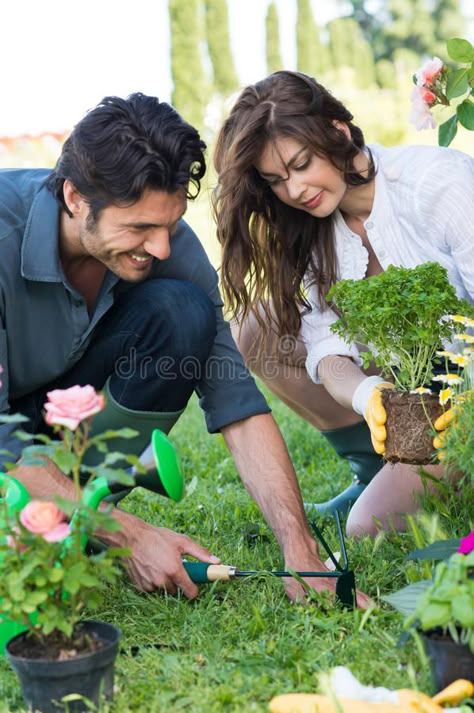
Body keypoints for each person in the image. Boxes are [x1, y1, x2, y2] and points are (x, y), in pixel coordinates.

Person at [0, 92, 370, 606]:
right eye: (140, 228)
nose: (161, 248)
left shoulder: (167, 250)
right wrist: (129, 534)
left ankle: (72, 518)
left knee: (184, 309)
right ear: (75, 198)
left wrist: (299, 547)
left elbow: (238, 406)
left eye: (168, 224)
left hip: (47, 422)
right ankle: (70, 523)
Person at [213, 70, 474, 537]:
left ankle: (437, 468)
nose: (294, 190)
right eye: (276, 180)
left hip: (467, 399)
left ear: (338, 131)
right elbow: (326, 349)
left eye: (302, 163)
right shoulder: (314, 231)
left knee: (365, 529)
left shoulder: (437, 186)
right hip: (418, 398)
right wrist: (366, 394)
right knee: (257, 326)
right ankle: (374, 467)